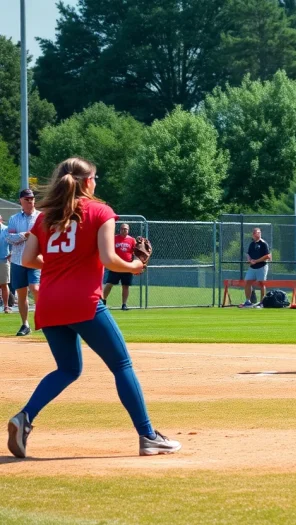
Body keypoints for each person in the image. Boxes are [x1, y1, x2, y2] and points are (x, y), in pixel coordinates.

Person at [7, 157, 181, 458]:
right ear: (87, 182)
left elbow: (27, 260)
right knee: (121, 365)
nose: (96, 182)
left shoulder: (45, 217)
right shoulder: (100, 211)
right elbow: (109, 258)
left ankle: (24, 417)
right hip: (83, 301)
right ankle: (148, 436)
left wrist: (61, 264)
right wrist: (136, 265)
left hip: (49, 302)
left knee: (67, 369)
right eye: (95, 178)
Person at [7, 189, 41, 336]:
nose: (30, 201)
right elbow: (9, 237)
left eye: (32, 198)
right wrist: (25, 235)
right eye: (27, 199)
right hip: (17, 260)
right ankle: (25, 324)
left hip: (35, 259)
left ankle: (44, 319)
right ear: (20, 200)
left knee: (36, 288)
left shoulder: (40, 217)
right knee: (21, 294)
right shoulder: (14, 219)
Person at [102, 223, 136, 310]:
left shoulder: (132, 240)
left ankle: (124, 304)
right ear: (120, 230)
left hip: (127, 265)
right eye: (123, 229)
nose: (124, 230)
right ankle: (103, 301)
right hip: (116, 266)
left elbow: (135, 252)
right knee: (109, 284)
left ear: (128, 230)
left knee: (125, 286)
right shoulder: (114, 238)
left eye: (126, 229)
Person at [240, 227, 271, 308]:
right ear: (253, 234)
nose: (257, 234)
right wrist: (249, 260)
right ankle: (248, 301)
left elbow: (267, 256)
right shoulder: (252, 244)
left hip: (262, 266)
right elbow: (248, 254)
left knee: (261, 284)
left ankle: (262, 302)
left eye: (258, 232)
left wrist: (256, 261)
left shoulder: (263, 243)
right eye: (255, 233)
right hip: (252, 267)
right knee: (247, 282)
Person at [0, 214, 10, 313]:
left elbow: (13, 242)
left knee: (4, 284)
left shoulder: (6, 230)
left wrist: (12, 253)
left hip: (3, 259)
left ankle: (6, 306)